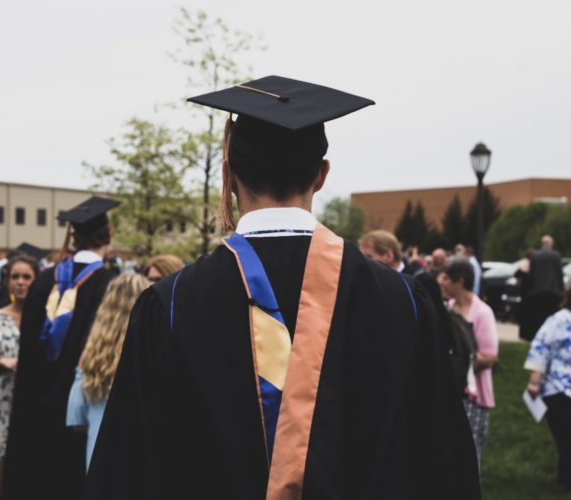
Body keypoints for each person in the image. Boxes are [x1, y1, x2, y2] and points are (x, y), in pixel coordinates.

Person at [85, 76, 479, 499]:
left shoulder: (172, 304)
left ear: (229, 173)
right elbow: (444, 465)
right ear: (322, 174)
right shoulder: (403, 301)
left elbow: (127, 473)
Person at [4, 196, 119, 500]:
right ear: (107, 236)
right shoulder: (109, 284)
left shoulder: (42, 280)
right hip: (76, 410)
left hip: (32, 401)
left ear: (73, 236)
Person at [66, 273, 151, 470]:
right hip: (143, 461)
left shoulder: (92, 356)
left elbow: (76, 419)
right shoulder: (155, 350)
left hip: (100, 462)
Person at [0, 255, 38, 500]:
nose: (20, 282)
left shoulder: (45, 319)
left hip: (34, 410)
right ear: (7, 282)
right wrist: (0, 365)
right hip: (3, 409)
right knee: (1, 485)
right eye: (15, 277)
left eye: (27, 277)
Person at [438, 257, 498, 470]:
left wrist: (460, 361)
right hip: (452, 392)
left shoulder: (482, 313)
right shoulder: (448, 308)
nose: (441, 281)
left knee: (469, 456)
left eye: (446, 278)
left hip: (474, 397)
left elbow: (490, 356)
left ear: (459, 281)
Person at [524, 287, 571, 490]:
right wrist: (535, 382)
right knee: (567, 439)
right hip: (558, 389)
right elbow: (540, 349)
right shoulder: (558, 321)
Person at [520, 235, 564, 341]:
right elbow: (559, 274)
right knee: (551, 316)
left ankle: (539, 335)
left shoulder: (535, 256)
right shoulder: (556, 255)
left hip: (537, 291)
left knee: (538, 317)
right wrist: (561, 289)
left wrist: (531, 289)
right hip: (552, 291)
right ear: (551, 244)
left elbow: (532, 274)